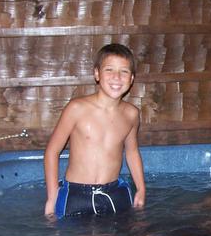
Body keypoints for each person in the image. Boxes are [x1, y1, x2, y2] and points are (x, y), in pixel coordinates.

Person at [44, 43, 145, 218]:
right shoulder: (77, 108)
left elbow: (132, 152)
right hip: (76, 194)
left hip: (114, 191)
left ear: (132, 78)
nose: (116, 77)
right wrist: (52, 196)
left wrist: (141, 189)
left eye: (124, 71)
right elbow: (52, 151)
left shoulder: (131, 114)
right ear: (97, 74)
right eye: (109, 70)